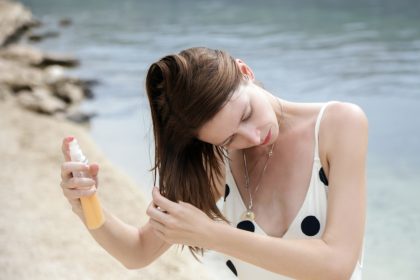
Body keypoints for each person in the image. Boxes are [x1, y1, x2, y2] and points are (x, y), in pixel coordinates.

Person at [60, 47, 367, 279]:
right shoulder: (216, 163)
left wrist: (209, 233)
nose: (253, 135)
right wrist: (86, 204)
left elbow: (337, 264)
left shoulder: (337, 125)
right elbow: (137, 252)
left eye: (245, 114)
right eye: (229, 139)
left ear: (245, 71)